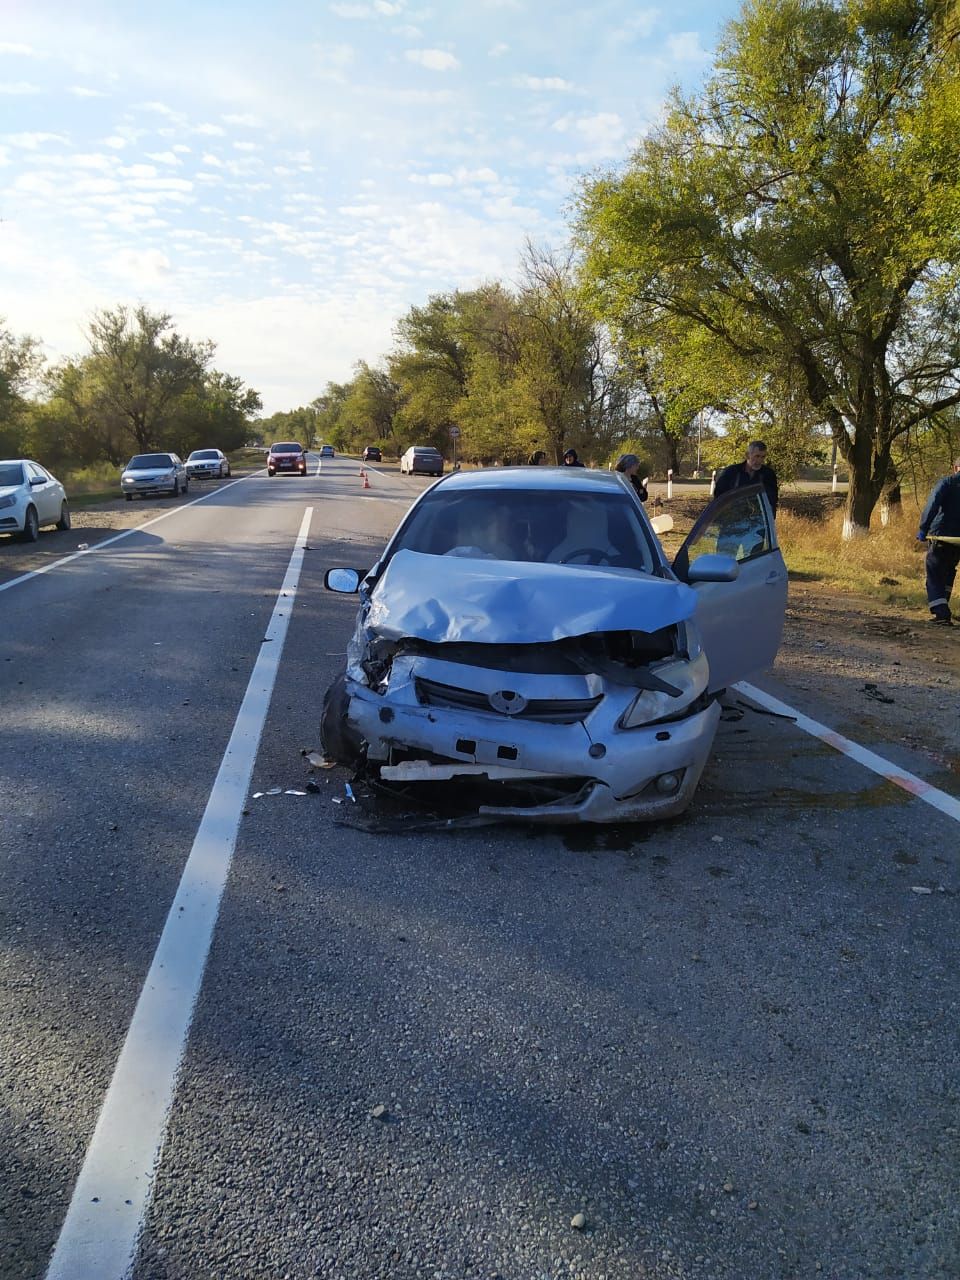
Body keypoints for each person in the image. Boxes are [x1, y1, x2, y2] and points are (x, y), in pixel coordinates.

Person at [917, 457, 960, 625]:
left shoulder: (947, 483)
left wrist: (923, 528)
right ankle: (944, 606)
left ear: (955, 468)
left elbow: (933, 504)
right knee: (949, 570)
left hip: (941, 535)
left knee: (934, 572)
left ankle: (941, 613)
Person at [714, 440, 778, 516]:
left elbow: (772, 499)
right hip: (733, 518)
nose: (760, 460)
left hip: (757, 520)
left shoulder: (768, 474)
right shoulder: (731, 472)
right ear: (747, 455)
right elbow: (719, 498)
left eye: (763, 457)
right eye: (757, 456)